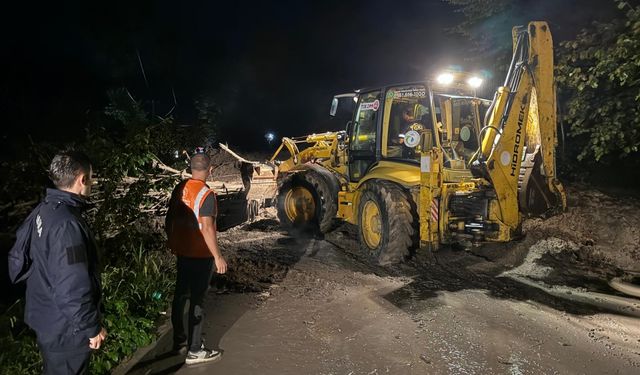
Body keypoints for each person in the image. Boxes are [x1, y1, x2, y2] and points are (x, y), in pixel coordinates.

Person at [23, 151, 106, 375]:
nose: (93, 182)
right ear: (82, 179)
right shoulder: (67, 225)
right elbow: (71, 285)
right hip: (65, 328)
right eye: (92, 176)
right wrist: (91, 327)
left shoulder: (45, 210)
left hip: (47, 317)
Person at [165, 148, 228, 365]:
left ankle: (179, 343)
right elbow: (208, 228)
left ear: (191, 169)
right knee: (197, 300)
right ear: (210, 170)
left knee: (180, 295)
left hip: (182, 252)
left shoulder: (180, 188)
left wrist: (171, 240)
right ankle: (195, 349)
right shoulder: (206, 194)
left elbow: (169, 217)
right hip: (200, 255)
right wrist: (218, 256)